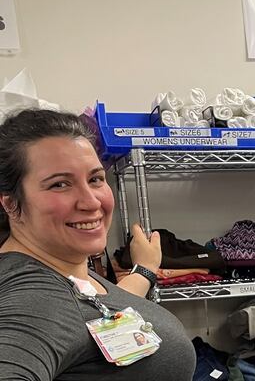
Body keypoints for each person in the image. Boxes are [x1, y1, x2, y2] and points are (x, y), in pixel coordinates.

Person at [0, 109, 196, 380]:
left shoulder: (63, 270)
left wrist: (145, 270)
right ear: (10, 204)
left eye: (95, 179)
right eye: (60, 184)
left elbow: (91, 310)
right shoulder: (32, 295)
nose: (91, 202)